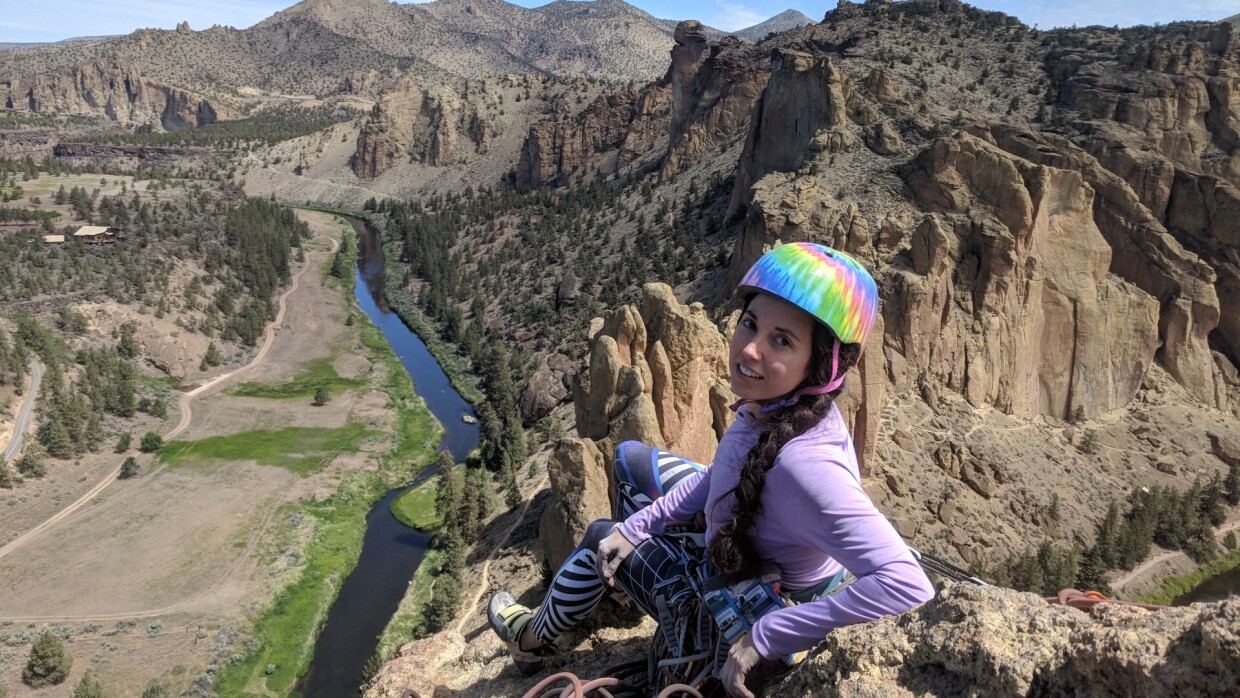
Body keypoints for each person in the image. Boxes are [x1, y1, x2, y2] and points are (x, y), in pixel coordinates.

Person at [489, 242, 935, 697]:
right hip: (741, 547)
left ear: (819, 363)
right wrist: (641, 525)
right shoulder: (779, 406)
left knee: (599, 535)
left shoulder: (806, 468)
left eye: (782, 340)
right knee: (629, 462)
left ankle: (530, 641)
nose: (750, 350)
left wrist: (767, 635)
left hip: (743, 600)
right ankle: (618, 583)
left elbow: (908, 585)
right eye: (750, 324)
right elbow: (724, 474)